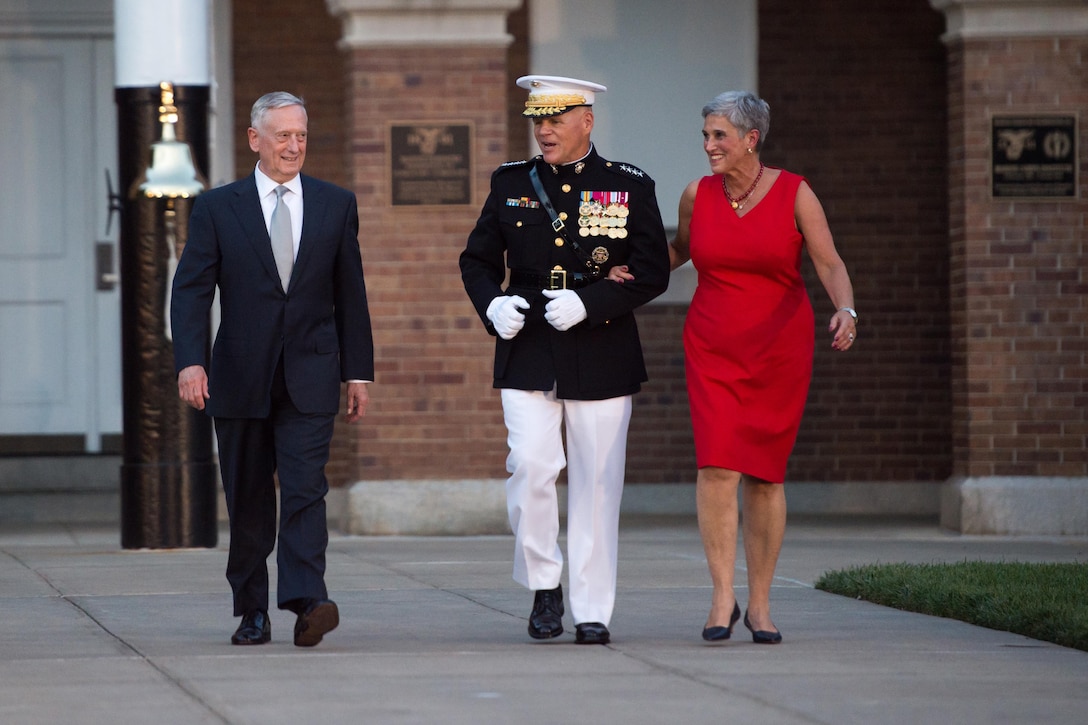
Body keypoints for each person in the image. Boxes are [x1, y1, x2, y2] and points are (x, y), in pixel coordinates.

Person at [611, 91, 857, 644]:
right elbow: (680, 250)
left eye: (719, 135)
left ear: (751, 138)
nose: (708, 145)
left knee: (766, 475)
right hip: (712, 346)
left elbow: (829, 261)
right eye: (705, 135)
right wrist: (626, 269)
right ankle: (722, 597)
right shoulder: (697, 195)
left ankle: (762, 605)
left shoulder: (796, 193)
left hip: (779, 348)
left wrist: (847, 309)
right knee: (718, 467)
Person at [460, 75, 670, 644]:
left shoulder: (628, 185)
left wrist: (591, 300)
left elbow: (651, 270)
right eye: (537, 119)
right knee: (530, 466)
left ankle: (593, 608)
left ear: (587, 121)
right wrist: (493, 304)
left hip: (601, 347)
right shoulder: (510, 183)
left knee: (598, 483)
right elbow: (476, 260)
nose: (544, 129)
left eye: (557, 118)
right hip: (528, 340)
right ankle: (544, 583)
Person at [171, 91, 374, 647]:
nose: (293, 145)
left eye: (301, 135)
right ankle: (252, 609)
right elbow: (190, 290)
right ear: (255, 139)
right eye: (282, 135)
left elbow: (349, 295)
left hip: (310, 373)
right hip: (239, 375)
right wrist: (191, 361)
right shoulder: (218, 207)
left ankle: (309, 599)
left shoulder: (335, 204)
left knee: (306, 488)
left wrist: (359, 372)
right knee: (249, 496)